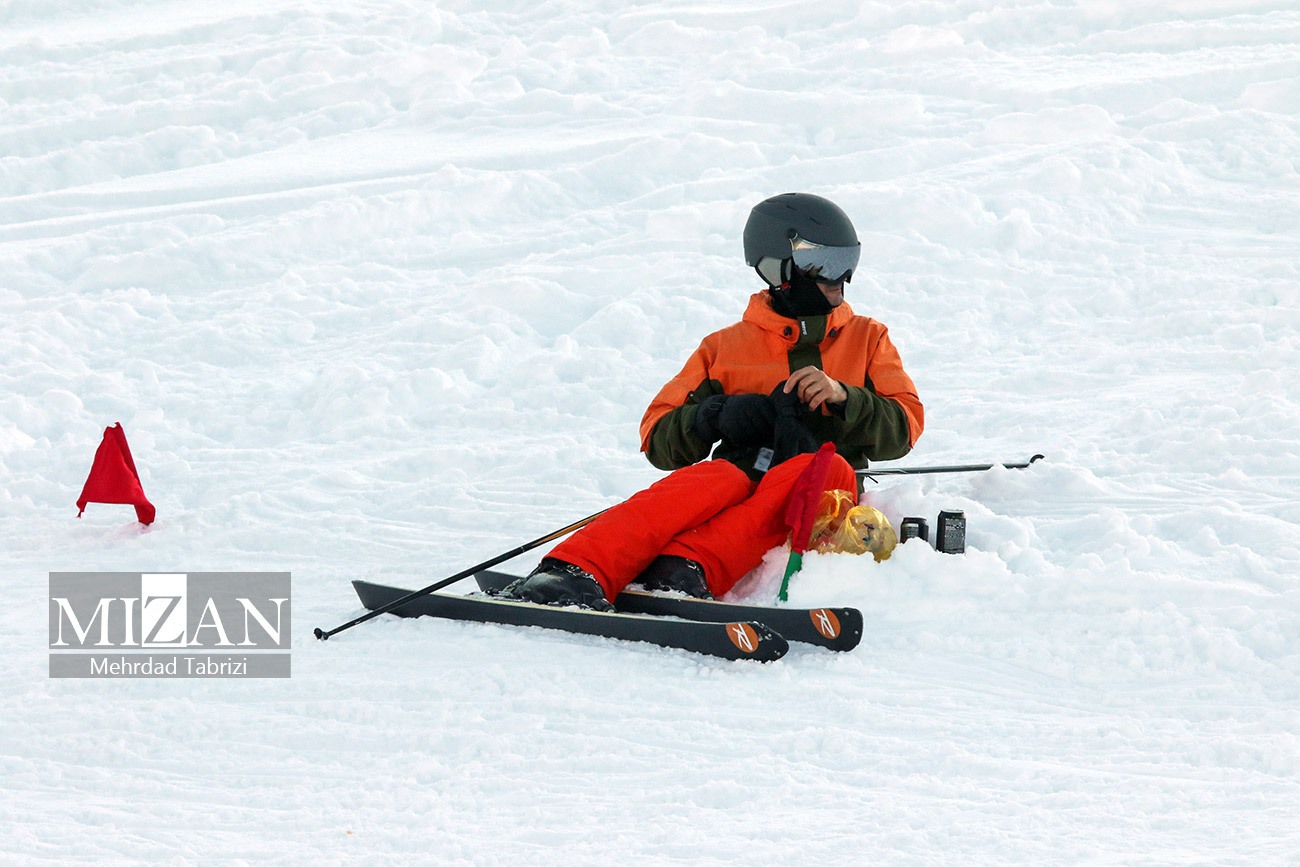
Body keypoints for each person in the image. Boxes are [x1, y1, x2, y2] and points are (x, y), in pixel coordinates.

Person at [499, 192, 924, 609]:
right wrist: (715, 415)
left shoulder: (868, 338)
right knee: (715, 478)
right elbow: (658, 438)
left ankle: (684, 567)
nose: (840, 278)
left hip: (822, 497)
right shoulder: (724, 348)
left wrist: (844, 397)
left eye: (847, 262)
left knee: (822, 467)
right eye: (826, 263)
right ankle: (575, 568)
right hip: (746, 480)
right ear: (779, 266)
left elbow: (905, 427)